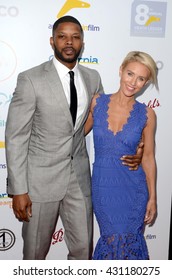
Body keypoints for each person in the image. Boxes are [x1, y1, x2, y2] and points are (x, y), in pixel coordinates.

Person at [5, 16, 143, 260]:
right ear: (52, 41)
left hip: (79, 180)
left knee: (82, 252)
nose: (69, 42)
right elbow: (16, 136)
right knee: (34, 254)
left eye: (75, 37)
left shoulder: (92, 78)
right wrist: (18, 190)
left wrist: (139, 146)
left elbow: (106, 122)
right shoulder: (31, 79)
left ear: (82, 43)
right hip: (39, 182)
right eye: (62, 36)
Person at [85, 51, 158, 260]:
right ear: (120, 71)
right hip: (103, 188)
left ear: (146, 83)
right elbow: (76, 134)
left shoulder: (147, 114)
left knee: (130, 244)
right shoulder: (97, 103)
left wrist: (152, 198)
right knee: (110, 241)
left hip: (133, 188)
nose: (133, 82)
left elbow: (149, 157)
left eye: (141, 78)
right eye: (130, 74)